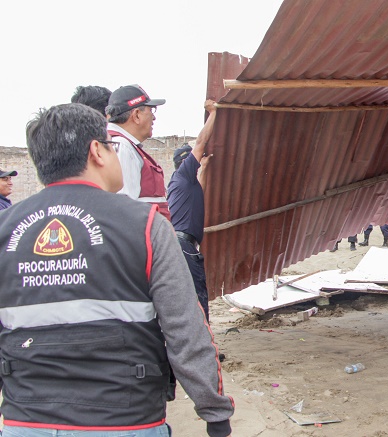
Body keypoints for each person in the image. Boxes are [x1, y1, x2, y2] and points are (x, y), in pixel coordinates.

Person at [0, 103, 233, 436]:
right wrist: (215, 414)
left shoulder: (5, 229)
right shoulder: (145, 225)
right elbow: (185, 329)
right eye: (110, 145)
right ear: (97, 151)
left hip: (25, 422)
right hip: (126, 421)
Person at [168, 100, 217, 321]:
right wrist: (213, 114)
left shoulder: (184, 184)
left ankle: (201, 344)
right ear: (186, 162)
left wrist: (204, 169)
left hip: (182, 246)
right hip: (183, 245)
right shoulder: (183, 176)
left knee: (192, 297)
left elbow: (201, 192)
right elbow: (200, 143)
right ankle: (205, 348)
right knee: (198, 296)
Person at [106, 84, 171, 220]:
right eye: (151, 110)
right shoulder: (123, 147)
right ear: (136, 115)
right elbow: (122, 211)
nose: (154, 118)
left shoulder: (122, 144)